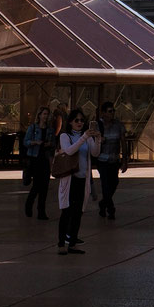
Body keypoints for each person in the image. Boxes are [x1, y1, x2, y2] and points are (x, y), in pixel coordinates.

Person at [57, 108, 101, 255]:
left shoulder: (87, 137)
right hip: (70, 179)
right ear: (70, 122)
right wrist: (83, 138)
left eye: (82, 120)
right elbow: (69, 151)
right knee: (66, 212)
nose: (80, 123)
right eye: (77, 120)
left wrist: (98, 139)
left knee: (78, 213)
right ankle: (61, 243)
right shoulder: (65, 136)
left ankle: (73, 243)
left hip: (83, 179)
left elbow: (95, 153)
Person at [95, 100, 128, 220]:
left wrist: (125, 160)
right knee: (105, 184)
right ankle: (110, 208)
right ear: (103, 113)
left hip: (114, 159)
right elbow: (90, 140)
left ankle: (103, 203)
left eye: (113, 111)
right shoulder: (98, 125)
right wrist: (99, 139)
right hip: (102, 159)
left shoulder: (118, 125)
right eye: (109, 111)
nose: (112, 113)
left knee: (114, 183)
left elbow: (123, 142)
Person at [23, 107, 55, 220]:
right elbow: (25, 142)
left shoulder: (50, 130)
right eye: (44, 114)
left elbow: (53, 144)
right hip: (35, 158)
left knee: (45, 185)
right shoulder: (33, 128)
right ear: (39, 115)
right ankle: (29, 204)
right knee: (37, 185)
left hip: (45, 159)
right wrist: (35, 142)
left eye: (47, 114)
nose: (46, 116)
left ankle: (41, 211)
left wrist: (49, 144)